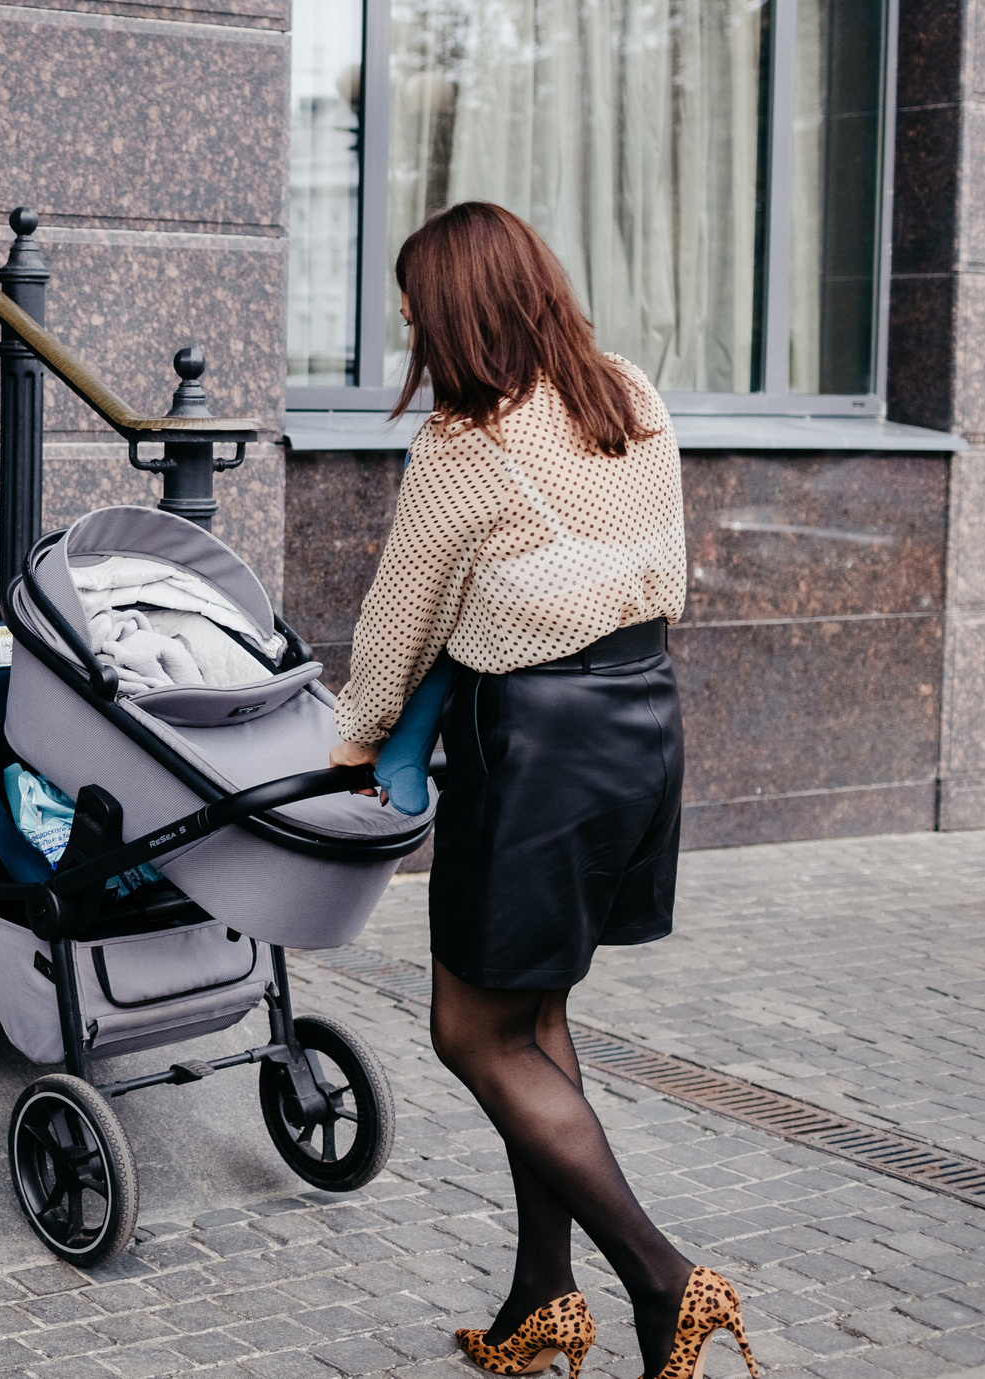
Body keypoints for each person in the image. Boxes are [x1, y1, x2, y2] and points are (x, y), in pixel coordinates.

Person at [327, 202, 756, 1379]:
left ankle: (667, 1283)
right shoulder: (627, 391)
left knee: (470, 1030)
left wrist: (358, 739)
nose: (404, 316)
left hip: (534, 747)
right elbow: (651, 565)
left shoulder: (468, 446)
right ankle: (539, 1301)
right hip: (637, 722)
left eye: (412, 297)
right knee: (538, 1017)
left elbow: (400, 624)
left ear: (456, 309)